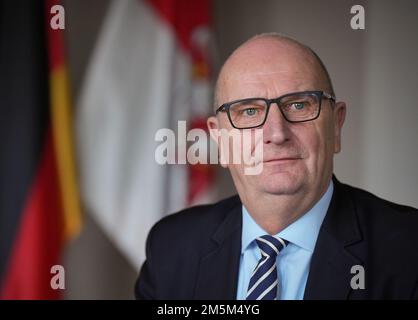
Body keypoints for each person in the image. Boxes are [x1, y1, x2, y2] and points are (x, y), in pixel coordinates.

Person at [135, 33, 418, 300]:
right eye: (249, 111)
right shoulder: (171, 247)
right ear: (219, 140)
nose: (277, 133)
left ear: (336, 126)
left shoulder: (409, 250)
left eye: (298, 105)